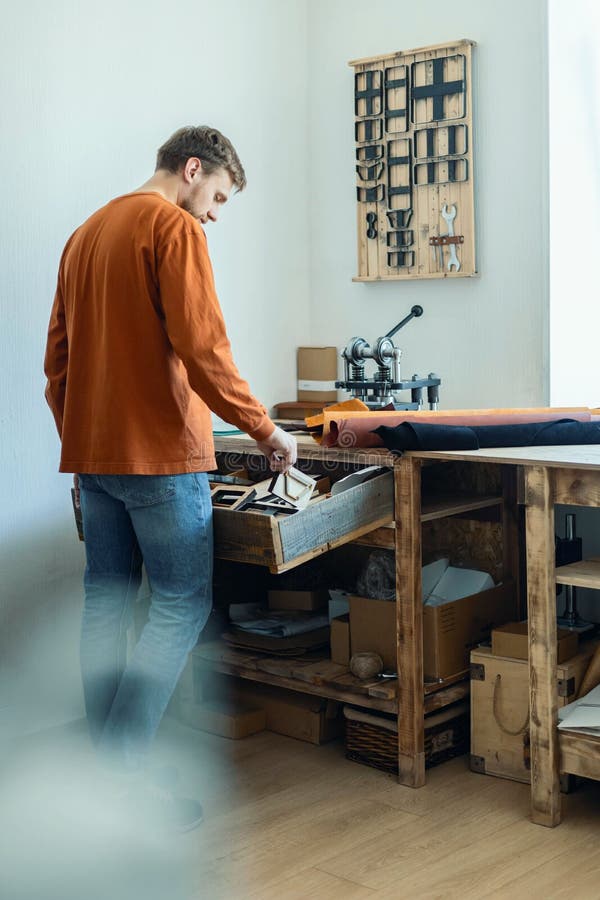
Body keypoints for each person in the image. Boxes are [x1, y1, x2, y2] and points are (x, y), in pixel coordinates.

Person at [44, 125, 297, 831]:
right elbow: (204, 349)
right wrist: (266, 430)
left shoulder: (86, 233)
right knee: (182, 603)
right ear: (193, 170)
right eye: (217, 195)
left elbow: (56, 363)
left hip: (93, 457)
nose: (214, 212)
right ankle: (121, 773)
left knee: (105, 601)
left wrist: (83, 442)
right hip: (159, 455)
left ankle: (96, 777)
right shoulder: (172, 228)